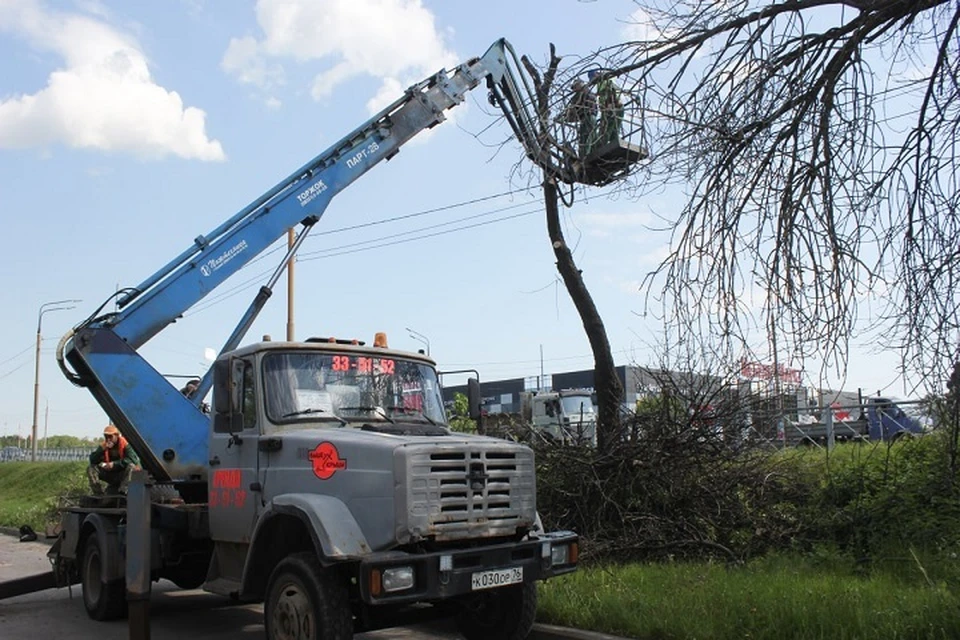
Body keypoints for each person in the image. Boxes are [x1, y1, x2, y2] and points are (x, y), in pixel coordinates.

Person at [87, 424, 141, 496]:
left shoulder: (125, 444)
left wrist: (114, 464)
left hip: (123, 475)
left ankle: (123, 492)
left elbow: (133, 460)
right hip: (110, 474)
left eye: (110, 436)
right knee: (91, 468)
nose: (108, 439)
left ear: (116, 436)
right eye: (106, 436)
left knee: (132, 466)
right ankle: (98, 494)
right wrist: (101, 450)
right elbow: (92, 460)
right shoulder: (103, 446)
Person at [562, 78, 598, 159]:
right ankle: (592, 152)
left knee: (585, 138)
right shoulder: (588, 92)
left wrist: (567, 115)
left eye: (575, 87)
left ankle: (585, 157)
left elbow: (575, 108)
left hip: (587, 118)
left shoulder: (582, 93)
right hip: (591, 117)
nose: (574, 90)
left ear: (579, 85)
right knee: (592, 137)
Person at [590, 69, 624, 147]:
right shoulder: (601, 82)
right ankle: (613, 143)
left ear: (596, 74)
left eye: (593, 78)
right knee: (612, 129)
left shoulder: (605, 80)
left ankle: (600, 146)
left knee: (606, 129)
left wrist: (610, 104)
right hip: (612, 107)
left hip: (612, 107)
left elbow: (611, 91)